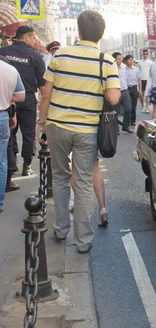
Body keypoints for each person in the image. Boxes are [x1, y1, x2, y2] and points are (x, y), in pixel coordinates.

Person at [37, 10, 120, 253]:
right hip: (87, 130)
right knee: (83, 183)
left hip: (57, 126)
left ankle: (61, 228)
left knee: (60, 177)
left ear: (79, 31)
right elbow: (113, 98)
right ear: (101, 34)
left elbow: (45, 94)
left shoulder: (60, 55)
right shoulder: (106, 61)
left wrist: (42, 123)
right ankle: (83, 240)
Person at [0, 26, 46, 176]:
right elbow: (43, 86)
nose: (35, 41)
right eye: (33, 37)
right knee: (28, 133)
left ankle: (12, 166)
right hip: (27, 98)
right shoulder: (36, 56)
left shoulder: (4, 51)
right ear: (26, 38)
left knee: (10, 132)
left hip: (7, 98)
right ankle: (27, 165)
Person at [0, 58, 26, 213]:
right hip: (2, 117)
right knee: (1, 161)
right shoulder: (10, 69)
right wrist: (6, 97)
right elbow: (21, 96)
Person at [113, 52, 133, 133]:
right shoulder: (111, 67)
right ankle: (116, 128)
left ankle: (125, 126)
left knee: (128, 109)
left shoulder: (124, 67)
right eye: (118, 58)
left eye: (121, 58)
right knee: (115, 112)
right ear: (114, 59)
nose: (120, 60)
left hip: (125, 90)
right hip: (115, 91)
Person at [123, 55, 142, 127]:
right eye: (129, 59)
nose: (131, 61)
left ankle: (133, 120)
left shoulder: (136, 69)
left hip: (134, 88)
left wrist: (140, 90)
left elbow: (139, 80)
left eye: (132, 59)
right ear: (126, 61)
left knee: (134, 105)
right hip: (126, 88)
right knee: (127, 106)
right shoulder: (124, 69)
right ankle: (127, 121)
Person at [138, 49, 153, 114]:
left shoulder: (151, 62)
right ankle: (143, 106)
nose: (145, 55)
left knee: (147, 94)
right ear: (142, 54)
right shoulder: (139, 62)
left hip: (148, 79)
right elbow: (138, 71)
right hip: (141, 79)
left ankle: (147, 108)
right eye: (144, 54)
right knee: (141, 94)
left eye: (146, 54)